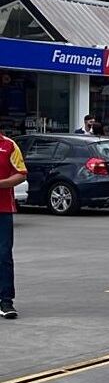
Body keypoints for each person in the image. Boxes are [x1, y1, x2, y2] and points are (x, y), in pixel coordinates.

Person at [0, 131, 27, 320]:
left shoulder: (9, 145)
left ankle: (6, 300)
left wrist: (1, 184)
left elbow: (21, 174)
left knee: (3, 255)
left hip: (3, 209)